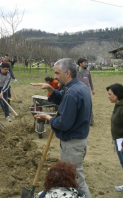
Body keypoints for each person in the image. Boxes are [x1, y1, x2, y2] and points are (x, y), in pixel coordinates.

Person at [31, 58, 92, 198]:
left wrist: (48, 118)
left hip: (72, 143)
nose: (55, 76)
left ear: (68, 73)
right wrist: (51, 90)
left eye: (57, 73)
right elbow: (63, 99)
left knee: (77, 180)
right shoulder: (77, 87)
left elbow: (64, 123)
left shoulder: (72, 93)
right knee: (75, 177)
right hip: (78, 140)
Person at [106, 83, 123, 197]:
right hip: (118, 141)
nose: (108, 96)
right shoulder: (118, 105)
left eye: (110, 94)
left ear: (117, 95)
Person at [77, 58, 95, 126]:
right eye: (84, 62)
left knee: (88, 104)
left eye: (86, 62)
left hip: (87, 90)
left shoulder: (87, 71)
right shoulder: (75, 72)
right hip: (78, 90)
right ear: (80, 63)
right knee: (78, 104)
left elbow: (90, 80)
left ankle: (91, 120)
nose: (86, 64)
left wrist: (92, 89)